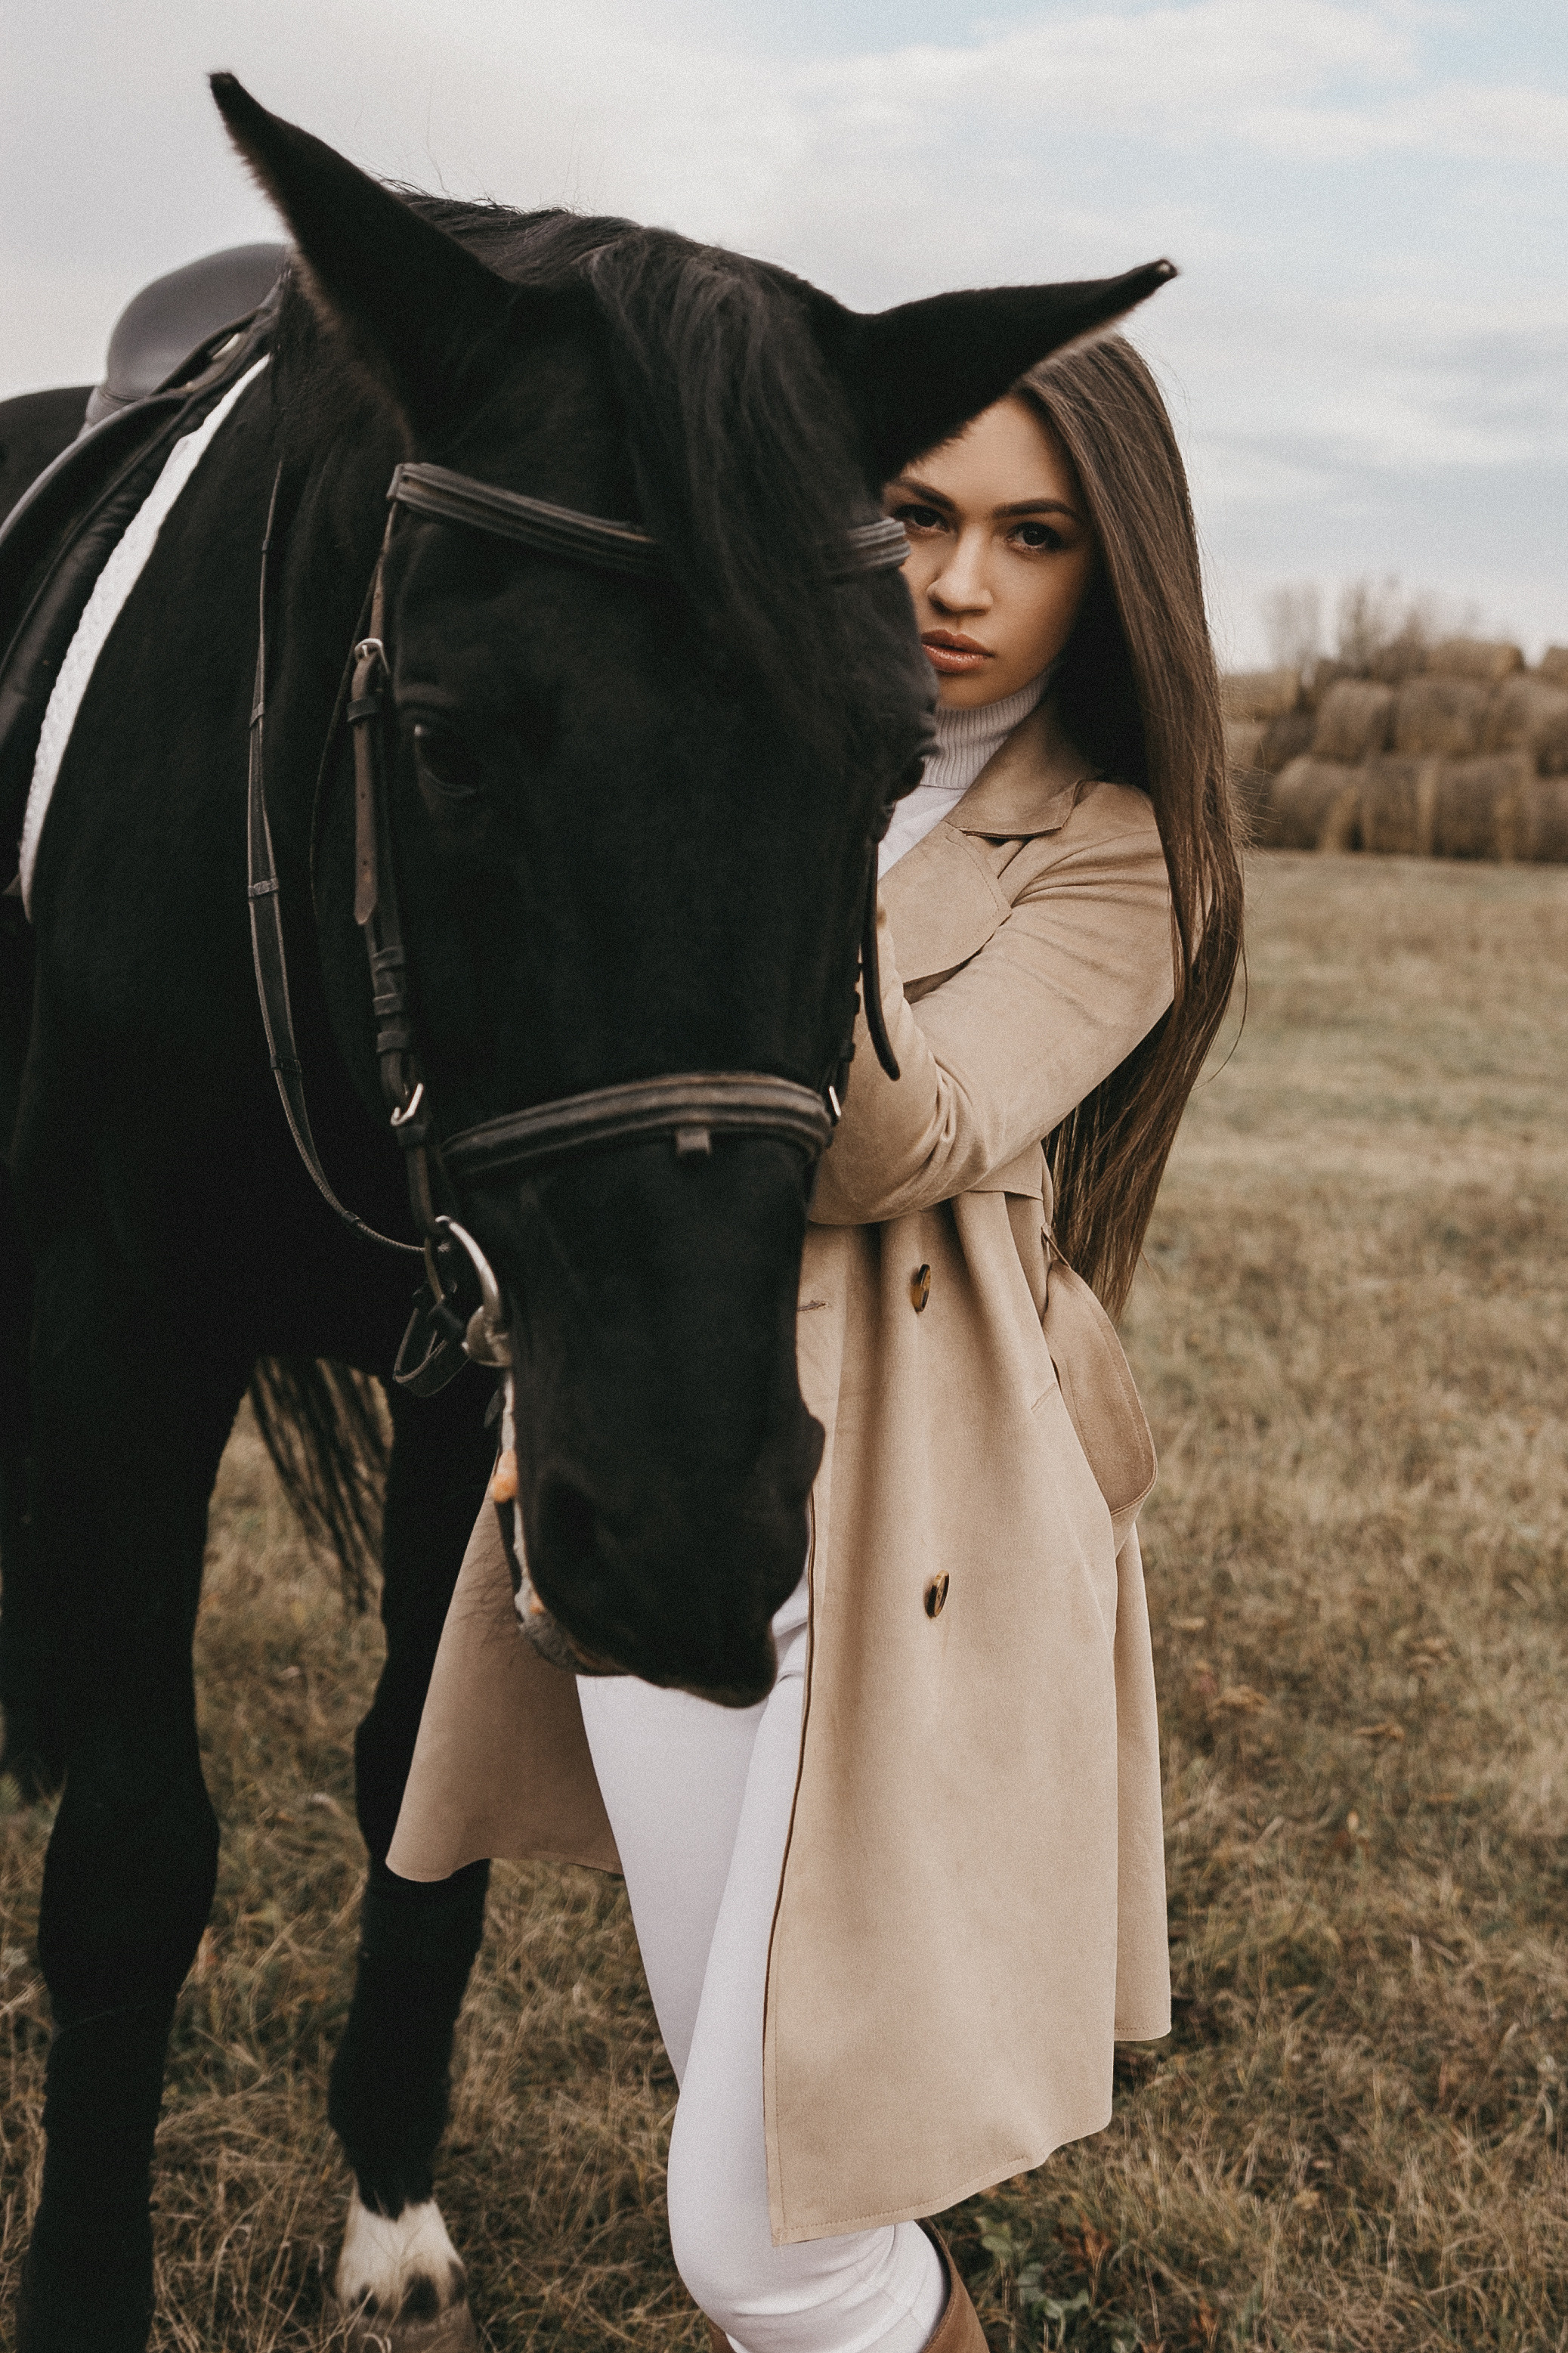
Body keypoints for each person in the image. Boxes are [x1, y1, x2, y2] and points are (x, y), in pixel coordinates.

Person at [388, 331, 1245, 2353]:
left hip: (907, 1549)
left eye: (1027, 537)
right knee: (764, 2126)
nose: (956, 583)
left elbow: (899, 1138)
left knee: (762, 2236)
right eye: (915, 517)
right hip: (655, 1470)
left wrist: (776, 793)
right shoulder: (672, 727)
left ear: (1101, 570)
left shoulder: (1119, 852)